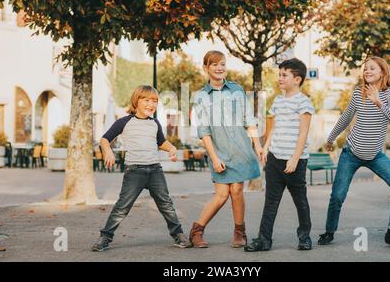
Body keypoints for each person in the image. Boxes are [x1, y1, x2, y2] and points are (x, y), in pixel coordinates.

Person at [318, 56, 390, 249]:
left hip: (375, 155)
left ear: (383, 72)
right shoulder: (358, 92)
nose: (367, 71)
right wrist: (330, 138)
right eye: (365, 68)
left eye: (372, 68)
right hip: (351, 154)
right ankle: (329, 232)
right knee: (337, 196)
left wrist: (378, 101)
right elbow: (346, 117)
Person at [91, 85, 191, 251]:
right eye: (146, 100)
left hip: (155, 171)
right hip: (134, 171)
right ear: (136, 101)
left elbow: (161, 142)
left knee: (166, 204)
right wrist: (107, 151)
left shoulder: (154, 123)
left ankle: (178, 235)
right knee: (122, 207)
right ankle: (105, 237)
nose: (151, 104)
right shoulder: (124, 121)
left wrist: (172, 149)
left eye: (154, 101)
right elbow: (104, 139)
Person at [189, 50, 262, 248]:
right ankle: (196, 231)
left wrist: (258, 145)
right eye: (215, 64)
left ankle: (240, 232)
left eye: (222, 64)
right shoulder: (201, 96)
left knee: (237, 190)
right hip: (218, 152)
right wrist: (214, 158)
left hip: (240, 151)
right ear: (206, 68)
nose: (220, 68)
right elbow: (204, 132)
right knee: (221, 195)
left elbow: (249, 120)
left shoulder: (237, 90)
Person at [244, 58, 315, 252]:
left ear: (297, 79)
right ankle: (264, 239)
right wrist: (266, 147)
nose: (280, 78)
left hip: (295, 162)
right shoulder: (278, 101)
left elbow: (303, 133)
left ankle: (305, 236)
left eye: (284, 75)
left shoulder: (304, 102)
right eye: (280, 74)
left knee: (300, 200)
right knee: (271, 201)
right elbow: (273, 128)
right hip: (275, 159)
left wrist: (294, 158)